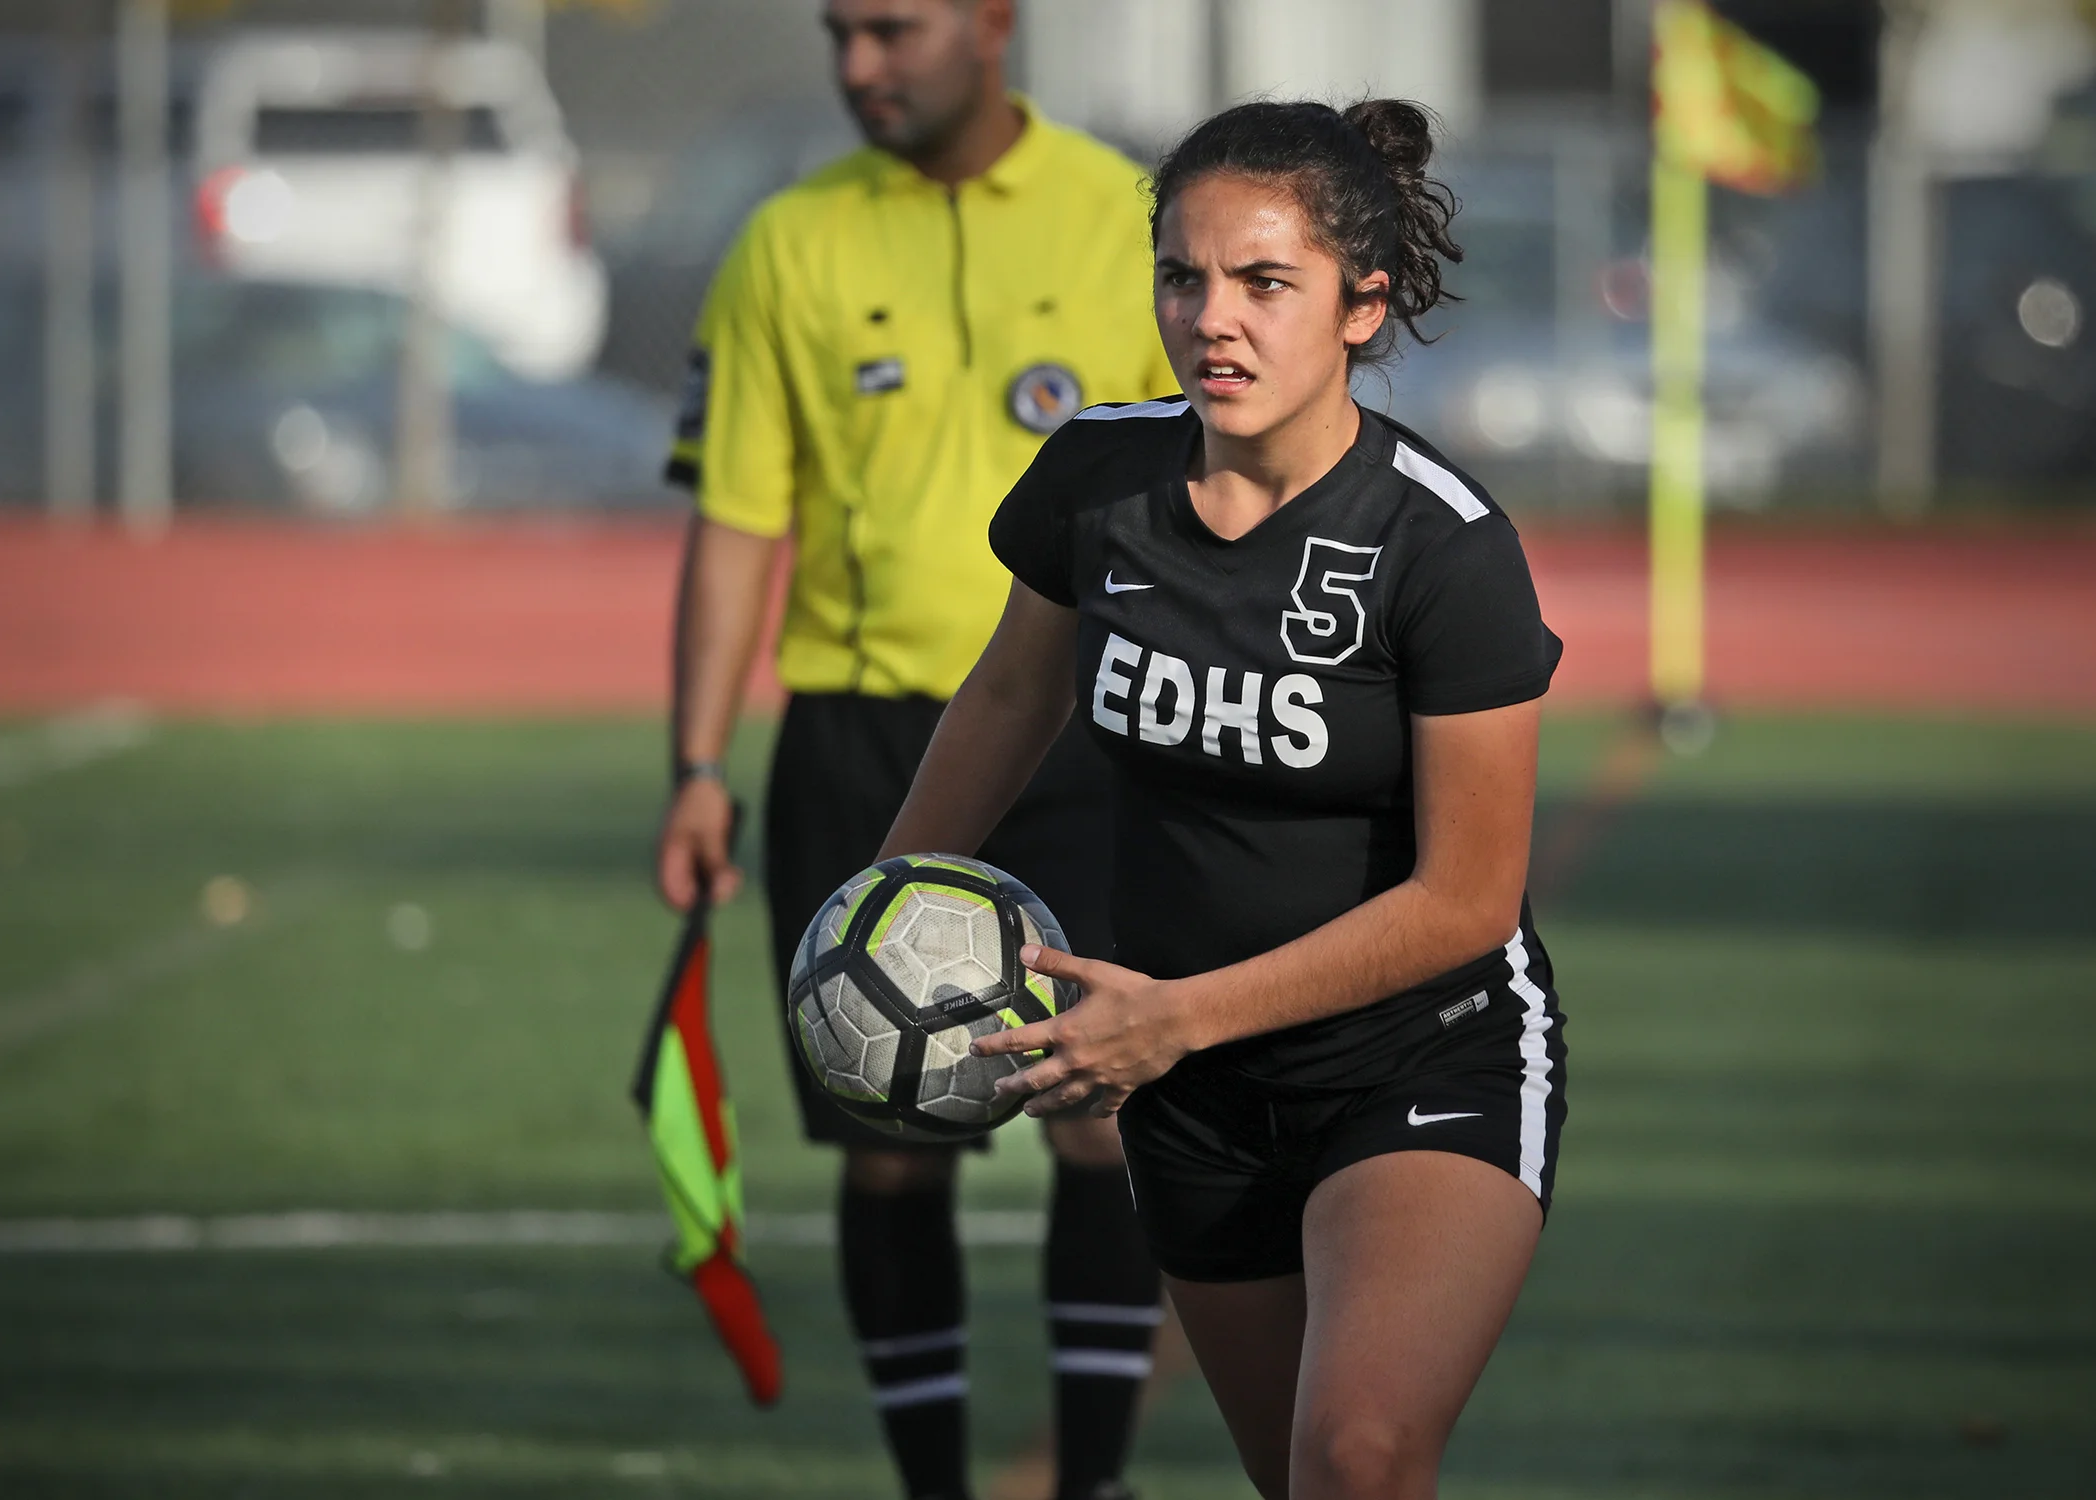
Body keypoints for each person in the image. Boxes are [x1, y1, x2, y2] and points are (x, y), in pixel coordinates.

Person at [875, 98, 1568, 1500]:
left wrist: (1170, 1017)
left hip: (1419, 1058)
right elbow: (1014, 693)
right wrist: (886, 903)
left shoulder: (1446, 546)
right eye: (1182, 278)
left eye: (1265, 283)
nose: (1213, 320)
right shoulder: (1100, 475)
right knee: (1297, 1482)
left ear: (1362, 306)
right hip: (1191, 1092)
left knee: (1362, 1456)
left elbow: (1467, 899)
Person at [654, 3, 1177, 1498]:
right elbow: (738, 516)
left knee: (1103, 1116)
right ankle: (931, 1487)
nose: (860, 64)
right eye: (840, 32)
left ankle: (1094, 1480)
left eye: (894, 27)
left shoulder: (1126, 220)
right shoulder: (788, 245)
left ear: (995, 23)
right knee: (891, 1143)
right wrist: (697, 763)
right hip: (864, 743)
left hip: (1089, 738)